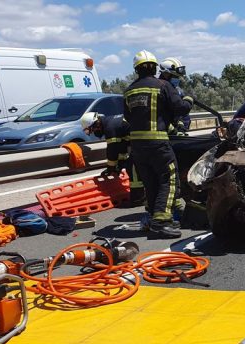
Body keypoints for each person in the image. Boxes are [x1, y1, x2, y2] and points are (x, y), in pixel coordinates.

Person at [123, 50, 193, 239]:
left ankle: (154, 219)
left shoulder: (129, 90)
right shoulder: (162, 86)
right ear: (154, 67)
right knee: (169, 180)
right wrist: (188, 100)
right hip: (157, 143)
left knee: (151, 182)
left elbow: (128, 117)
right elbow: (180, 108)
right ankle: (162, 223)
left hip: (137, 147)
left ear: (136, 69)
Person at [80, 111, 145, 206]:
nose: (94, 132)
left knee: (133, 168)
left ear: (97, 123)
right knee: (135, 165)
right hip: (142, 140)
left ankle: (138, 199)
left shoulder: (110, 129)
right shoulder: (111, 122)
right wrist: (119, 164)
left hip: (144, 140)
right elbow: (122, 147)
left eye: (92, 130)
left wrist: (111, 168)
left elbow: (112, 150)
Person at [158, 57, 192, 134]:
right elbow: (157, 116)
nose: (177, 79)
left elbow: (182, 113)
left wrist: (181, 125)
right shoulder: (157, 90)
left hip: (175, 135)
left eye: (178, 77)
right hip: (162, 134)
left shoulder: (178, 91)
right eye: (175, 76)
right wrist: (171, 129)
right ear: (166, 74)